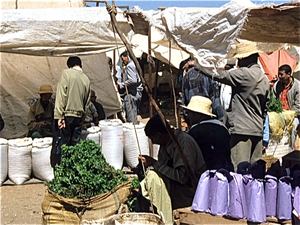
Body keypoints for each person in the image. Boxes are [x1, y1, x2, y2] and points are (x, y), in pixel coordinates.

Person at [185, 41, 270, 172]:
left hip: (241, 131)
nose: (237, 62)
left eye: (238, 59)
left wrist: (197, 65)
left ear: (244, 58)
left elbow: (219, 75)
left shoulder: (244, 74)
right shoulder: (264, 79)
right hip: (257, 131)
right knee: (255, 173)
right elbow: (265, 108)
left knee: (239, 172)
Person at [138, 114, 206, 224]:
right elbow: (165, 169)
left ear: (160, 135)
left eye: (152, 139)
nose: (153, 142)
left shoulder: (183, 143)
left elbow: (182, 177)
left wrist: (154, 163)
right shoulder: (164, 146)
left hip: (190, 192)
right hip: (176, 189)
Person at [182, 95, 232, 171]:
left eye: (190, 113)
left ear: (196, 114)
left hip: (205, 174)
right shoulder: (222, 127)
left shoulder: (194, 132)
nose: (188, 116)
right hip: (225, 171)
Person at [54, 56, 90, 146]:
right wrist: (82, 118)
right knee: (75, 145)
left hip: (67, 115)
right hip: (78, 116)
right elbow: (87, 103)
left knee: (64, 145)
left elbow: (61, 95)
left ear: (69, 65)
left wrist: (59, 116)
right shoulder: (86, 79)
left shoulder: (66, 74)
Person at [273, 64, 300, 151]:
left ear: (289, 74)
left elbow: (298, 106)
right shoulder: (277, 85)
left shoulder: (297, 86)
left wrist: (288, 115)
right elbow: (273, 99)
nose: (279, 76)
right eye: (279, 74)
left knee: (292, 130)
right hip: (278, 115)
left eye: (282, 74)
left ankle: (290, 152)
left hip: (293, 116)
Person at [117, 51, 143, 123]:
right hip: (135, 93)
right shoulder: (133, 64)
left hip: (132, 94)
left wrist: (121, 85)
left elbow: (133, 80)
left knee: (131, 117)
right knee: (133, 114)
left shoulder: (129, 66)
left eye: (123, 59)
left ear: (127, 57)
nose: (122, 61)